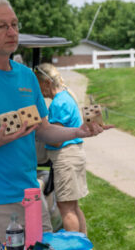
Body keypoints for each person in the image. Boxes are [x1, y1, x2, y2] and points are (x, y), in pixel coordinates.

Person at [0, 0, 103, 250]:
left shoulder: (26, 76)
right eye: (2, 26)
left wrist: (79, 131)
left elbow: (43, 130)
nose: (12, 32)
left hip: (32, 196)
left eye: (14, 24)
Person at [35, 63, 112, 234]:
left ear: (47, 82)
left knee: (66, 208)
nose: (38, 91)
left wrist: (37, 129)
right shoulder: (67, 97)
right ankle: (84, 245)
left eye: (38, 85)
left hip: (65, 158)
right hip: (75, 155)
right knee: (73, 206)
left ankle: (74, 247)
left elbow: (54, 139)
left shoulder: (58, 103)